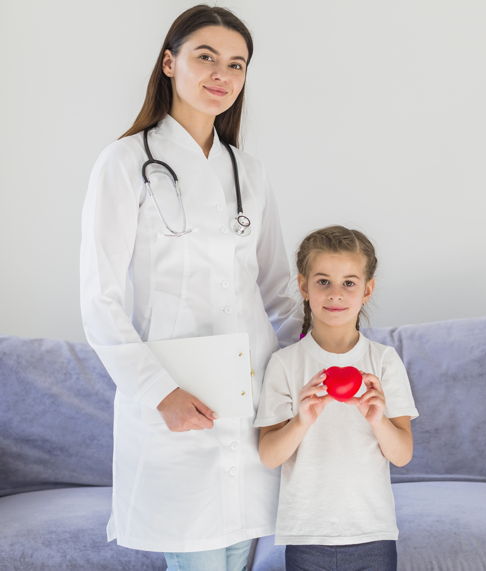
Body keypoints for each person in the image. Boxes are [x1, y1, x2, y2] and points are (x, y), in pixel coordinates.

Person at [79, 5, 301, 569]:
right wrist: (159, 393)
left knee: (237, 548)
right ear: (169, 63)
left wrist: (306, 370)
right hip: (175, 400)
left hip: (250, 401)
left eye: (236, 64)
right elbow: (98, 297)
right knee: (196, 554)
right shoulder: (126, 162)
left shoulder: (248, 172)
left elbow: (278, 293)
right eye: (205, 57)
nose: (221, 74)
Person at [255, 225, 418, 571]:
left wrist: (378, 419)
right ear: (303, 286)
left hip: (371, 532)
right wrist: (302, 420)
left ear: (367, 289)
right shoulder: (286, 363)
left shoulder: (384, 361)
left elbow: (402, 454)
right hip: (306, 534)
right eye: (323, 281)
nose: (336, 294)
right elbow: (270, 455)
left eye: (349, 282)